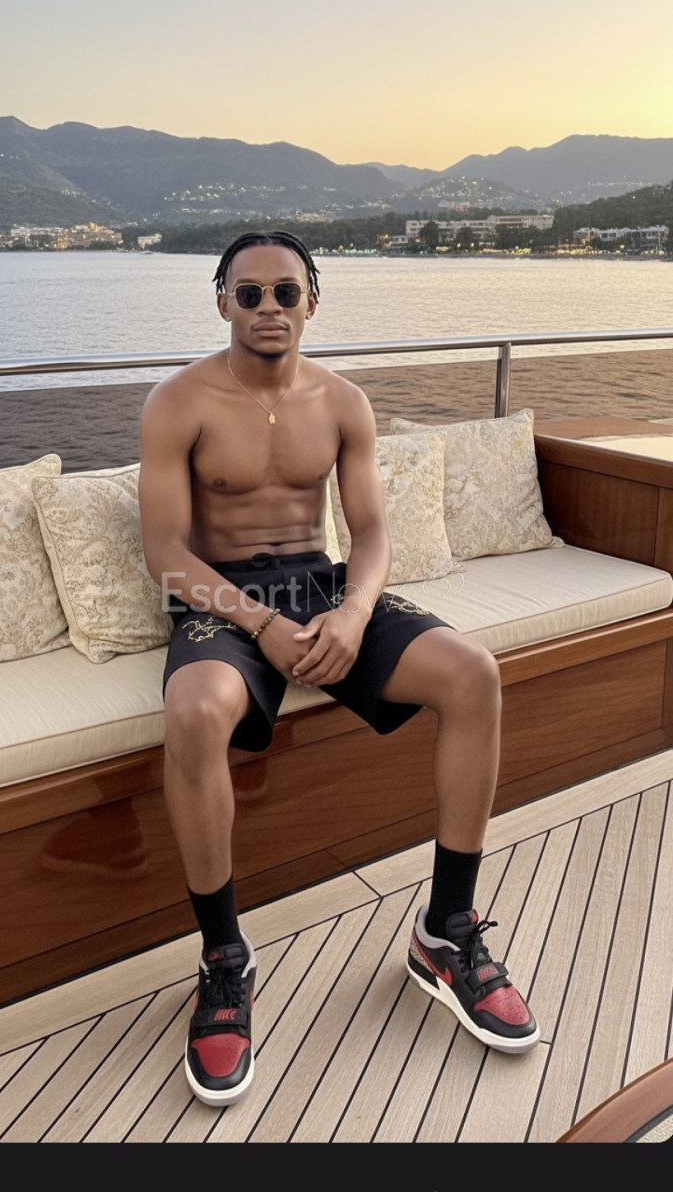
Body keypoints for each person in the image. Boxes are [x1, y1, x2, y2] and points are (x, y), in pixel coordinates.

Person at [138, 229, 539, 1107]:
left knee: (472, 673)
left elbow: (371, 534)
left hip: (320, 586)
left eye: (285, 292)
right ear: (221, 302)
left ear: (311, 302)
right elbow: (164, 552)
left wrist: (353, 612)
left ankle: (446, 930)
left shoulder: (343, 401)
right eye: (249, 293)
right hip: (225, 598)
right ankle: (223, 958)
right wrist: (262, 626)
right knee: (195, 712)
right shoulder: (178, 402)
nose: (268, 307)